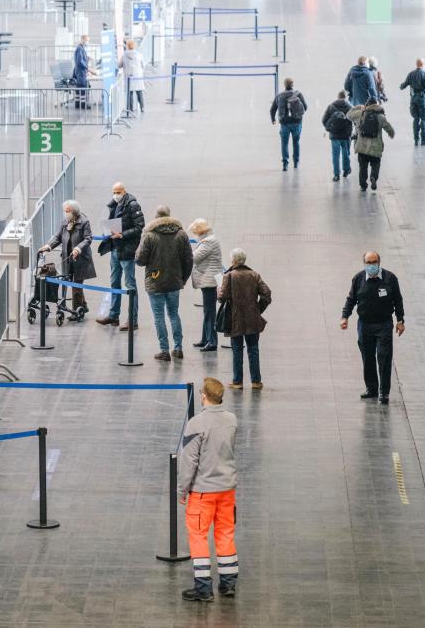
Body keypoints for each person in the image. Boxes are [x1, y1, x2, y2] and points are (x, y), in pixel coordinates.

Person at [177, 377, 239, 602]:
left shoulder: (196, 423)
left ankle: (203, 587)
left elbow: (189, 461)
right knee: (225, 533)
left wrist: (182, 490)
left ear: (204, 395)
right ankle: (228, 582)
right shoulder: (231, 420)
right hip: (227, 489)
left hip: (203, 491)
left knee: (199, 536)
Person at [340, 251, 404, 404]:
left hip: (384, 325)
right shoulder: (358, 279)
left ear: (379, 262)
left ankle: (384, 393)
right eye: (368, 263)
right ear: (364, 264)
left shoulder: (390, 279)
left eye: (374, 262)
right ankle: (372, 389)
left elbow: (398, 300)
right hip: (365, 325)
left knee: (384, 357)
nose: (372, 266)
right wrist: (344, 317)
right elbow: (351, 299)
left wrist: (400, 320)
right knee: (367, 357)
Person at [135, 205, 193, 361]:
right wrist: (183, 278)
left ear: (156, 217)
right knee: (174, 314)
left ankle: (164, 350)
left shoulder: (149, 235)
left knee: (159, 316)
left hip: (155, 281)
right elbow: (188, 260)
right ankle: (178, 348)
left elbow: (139, 260)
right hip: (174, 281)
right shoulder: (181, 234)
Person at [217, 248, 271, 389]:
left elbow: (221, 298)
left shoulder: (229, 276)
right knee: (253, 349)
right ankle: (256, 381)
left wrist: (219, 291)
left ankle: (237, 382)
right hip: (252, 318)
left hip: (235, 319)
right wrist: (258, 309)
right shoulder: (254, 275)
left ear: (233, 260)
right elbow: (267, 294)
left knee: (237, 349)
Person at [96, 182, 144, 330]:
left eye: (118, 192)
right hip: (115, 249)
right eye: (114, 192)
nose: (115, 195)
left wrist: (122, 235)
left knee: (130, 285)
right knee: (114, 282)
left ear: (124, 191)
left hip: (127, 250)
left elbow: (139, 227)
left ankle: (132, 320)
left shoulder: (133, 205)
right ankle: (113, 316)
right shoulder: (114, 204)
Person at [38, 199, 95, 317]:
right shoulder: (65, 222)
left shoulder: (84, 221)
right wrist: (48, 246)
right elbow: (58, 237)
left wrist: (78, 249)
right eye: (65, 211)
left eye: (68, 211)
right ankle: (83, 306)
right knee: (73, 283)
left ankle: (76, 312)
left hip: (80, 259)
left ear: (74, 211)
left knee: (76, 284)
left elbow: (88, 238)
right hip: (67, 258)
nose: (66, 213)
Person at [346, 98, 395, 191]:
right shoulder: (380, 116)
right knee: (376, 164)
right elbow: (389, 128)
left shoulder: (360, 114)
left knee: (363, 167)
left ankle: (363, 185)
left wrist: (358, 107)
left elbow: (348, 115)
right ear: (376, 105)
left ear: (366, 105)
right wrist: (391, 134)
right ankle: (373, 177)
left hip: (362, 147)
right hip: (375, 148)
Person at [189, 219, 221, 352]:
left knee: (209, 312)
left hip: (209, 281)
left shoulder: (208, 242)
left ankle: (212, 342)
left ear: (199, 230)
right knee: (207, 311)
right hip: (208, 280)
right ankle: (205, 339)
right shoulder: (208, 240)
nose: (194, 234)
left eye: (194, 231)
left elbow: (194, 258)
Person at [269, 77, 308, 171]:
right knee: (296, 143)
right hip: (297, 122)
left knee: (284, 144)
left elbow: (273, 109)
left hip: (284, 123)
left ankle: (285, 164)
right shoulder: (298, 94)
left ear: (284, 85)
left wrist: (273, 119)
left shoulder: (279, 95)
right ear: (292, 85)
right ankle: (296, 163)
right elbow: (305, 107)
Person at [398, 58, 425, 146]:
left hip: (413, 100)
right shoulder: (424, 74)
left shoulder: (411, 74)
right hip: (422, 99)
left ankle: (416, 139)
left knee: (416, 119)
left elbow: (403, 85)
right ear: (423, 65)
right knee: (424, 119)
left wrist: (401, 86)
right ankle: (424, 139)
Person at [322, 90, 354, 181]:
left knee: (335, 156)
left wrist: (329, 128)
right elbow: (355, 120)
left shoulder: (331, 106)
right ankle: (346, 170)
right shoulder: (350, 107)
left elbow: (323, 120)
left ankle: (336, 175)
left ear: (338, 96)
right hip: (346, 135)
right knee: (346, 154)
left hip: (334, 135)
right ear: (345, 97)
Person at [121, 40, 145, 113]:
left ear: (127, 46)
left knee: (130, 93)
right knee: (139, 92)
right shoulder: (139, 55)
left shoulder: (124, 55)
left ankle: (130, 109)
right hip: (138, 76)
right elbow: (143, 65)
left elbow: (119, 65)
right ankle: (142, 107)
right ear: (134, 46)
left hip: (129, 76)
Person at [72, 35, 94, 109]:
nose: (87, 42)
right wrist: (88, 69)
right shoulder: (80, 49)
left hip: (80, 72)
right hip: (81, 72)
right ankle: (83, 105)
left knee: (79, 88)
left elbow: (81, 58)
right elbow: (80, 62)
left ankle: (78, 104)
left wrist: (87, 58)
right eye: (86, 40)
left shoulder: (81, 48)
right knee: (83, 87)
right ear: (82, 40)